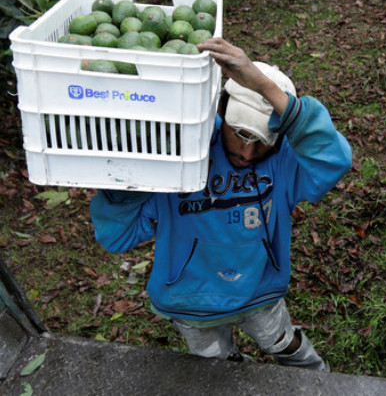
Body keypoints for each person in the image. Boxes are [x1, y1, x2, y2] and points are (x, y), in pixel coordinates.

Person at [89, 38, 352, 370]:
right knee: (219, 368)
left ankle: (319, 380)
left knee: (285, 344)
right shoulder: (182, 152)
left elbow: (334, 160)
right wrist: (127, 174)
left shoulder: (285, 163)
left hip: (260, 293)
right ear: (220, 109)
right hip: (191, 300)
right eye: (240, 133)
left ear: (282, 135)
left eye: (261, 141)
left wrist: (262, 86)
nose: (246, 153)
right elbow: (117, 236)